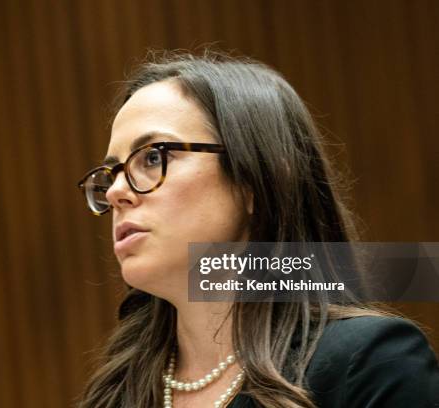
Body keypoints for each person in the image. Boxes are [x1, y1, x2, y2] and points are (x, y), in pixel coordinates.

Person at [75, 50, 439, 407]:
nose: (117, 191)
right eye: (111, 174)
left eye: (153, 157)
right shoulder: (112, 395)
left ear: (254, 180)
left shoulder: (368, 364)